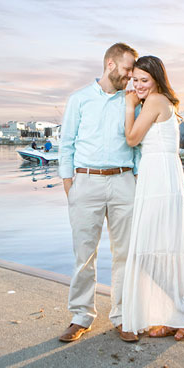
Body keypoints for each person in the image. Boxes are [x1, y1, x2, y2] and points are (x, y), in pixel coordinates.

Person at [58, 42, 141, 343]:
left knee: (125, 254)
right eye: (128, 68)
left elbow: (139, 146)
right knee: (84, 254)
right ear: (110, 64)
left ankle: (121, 316)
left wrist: (138, 180)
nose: (131, 75)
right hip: (86, 182)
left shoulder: (132, 101)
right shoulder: (79, 99)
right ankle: (81, 316)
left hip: (123, 182)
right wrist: (69, 184)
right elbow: (66, 145)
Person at [122, 55, 184, 341]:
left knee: (151, 249)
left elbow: (132, 138)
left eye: (144, 80)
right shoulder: (159, 102)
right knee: (160, 249)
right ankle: (176, 313)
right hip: (160, 174)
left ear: (156, 79)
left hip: (159, 176)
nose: (139, 85)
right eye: (135, 81)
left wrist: (128, 105)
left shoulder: (155, 101)